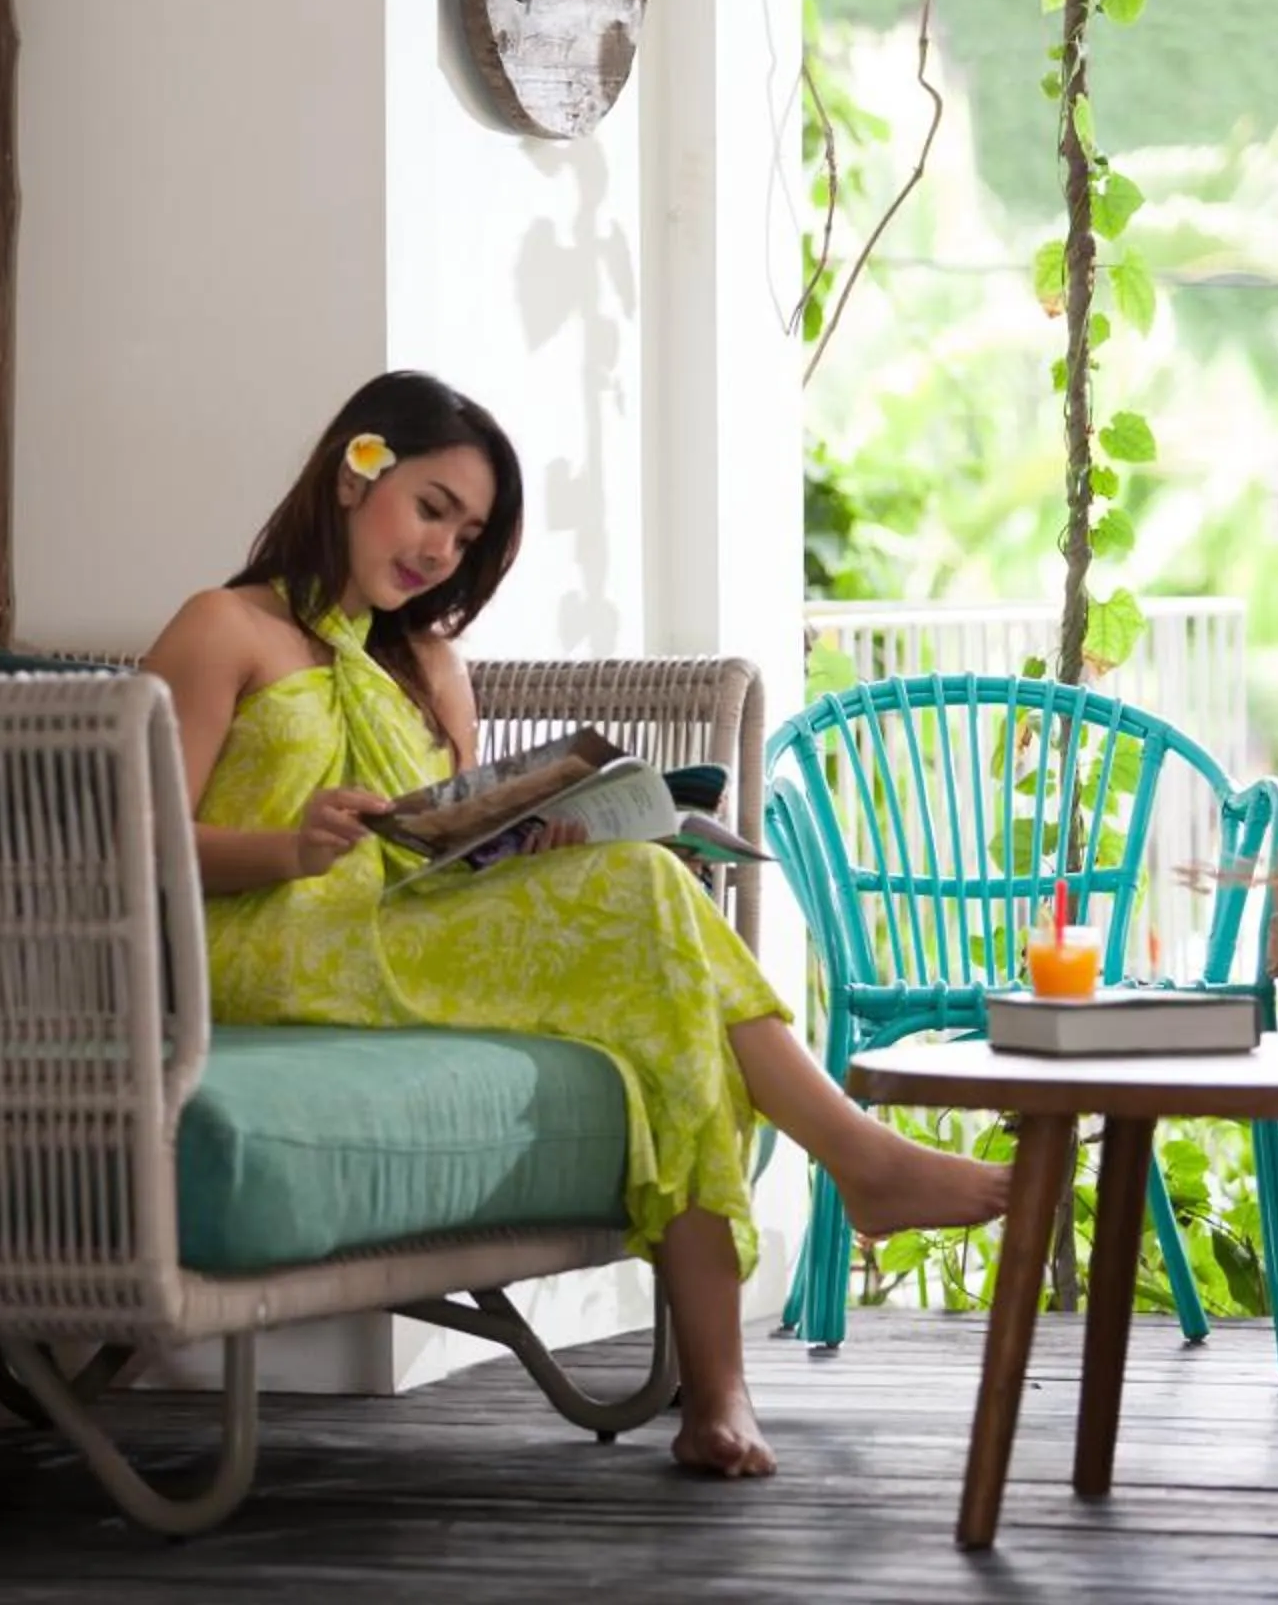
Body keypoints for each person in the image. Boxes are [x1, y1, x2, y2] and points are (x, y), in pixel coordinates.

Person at [140, 370, 1010, 1479]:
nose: (442, 550)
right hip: (261, 944)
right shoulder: (227, 627)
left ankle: (721, 1390)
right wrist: (286, 845)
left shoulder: (429, 666)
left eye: (468, 533)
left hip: (406, 932)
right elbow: (135, 846)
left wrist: (533, 843)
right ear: (357, 471)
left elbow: (441, 846)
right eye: (432, 506)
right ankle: (846, 1163)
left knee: (654, 943)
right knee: (652, 906)